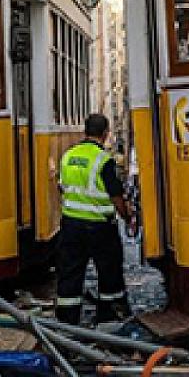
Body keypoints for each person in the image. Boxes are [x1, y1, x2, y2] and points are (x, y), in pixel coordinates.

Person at [55, 114, 134, 325]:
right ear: (106, 133)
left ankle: (67, 319)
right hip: (100, 227)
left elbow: (61, 187)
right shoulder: (103, 159)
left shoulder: (68, 155)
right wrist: (127, 217)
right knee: (109, 272)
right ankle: (109, 315)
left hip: (71, 225)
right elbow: (116, 195)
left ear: (85, 132)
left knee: (70, 273)